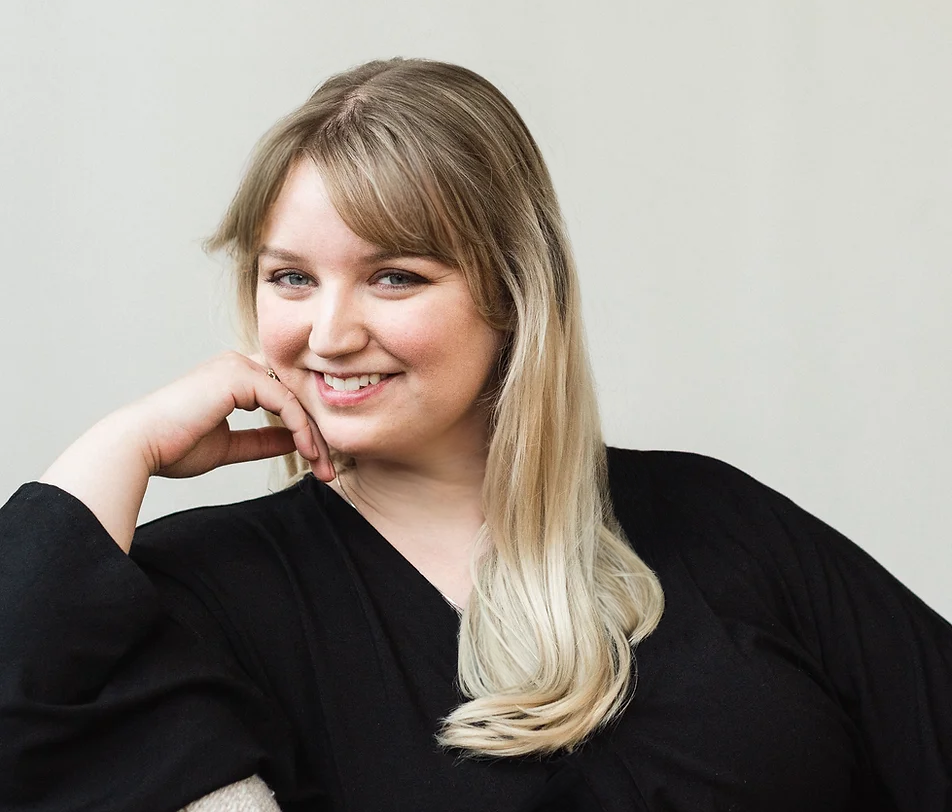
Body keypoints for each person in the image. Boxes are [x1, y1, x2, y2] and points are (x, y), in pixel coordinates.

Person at [0, 58, 949, 812]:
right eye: (289, 277)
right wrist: (120, 448)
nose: (327, 333)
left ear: (511, 294)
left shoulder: (713, 518)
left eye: (395, 277)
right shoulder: (208, 593)